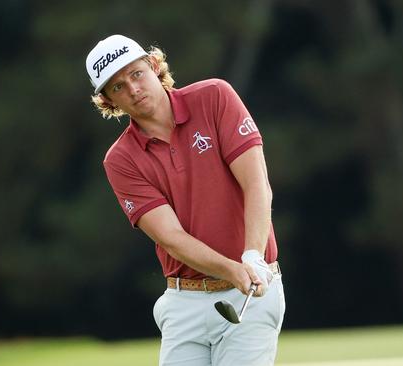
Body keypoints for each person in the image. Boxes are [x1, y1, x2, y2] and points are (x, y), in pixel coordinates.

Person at [85, 34, 285, 365]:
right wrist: (231, 268)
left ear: (153, 66)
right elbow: (173, 238)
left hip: (252, 291)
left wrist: (252, 256)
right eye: (118, 87)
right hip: (184, 303)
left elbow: (256, 184)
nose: (133, 90)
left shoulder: (214, 97)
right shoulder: (120, 159)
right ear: (108, 100)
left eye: (136, 74)